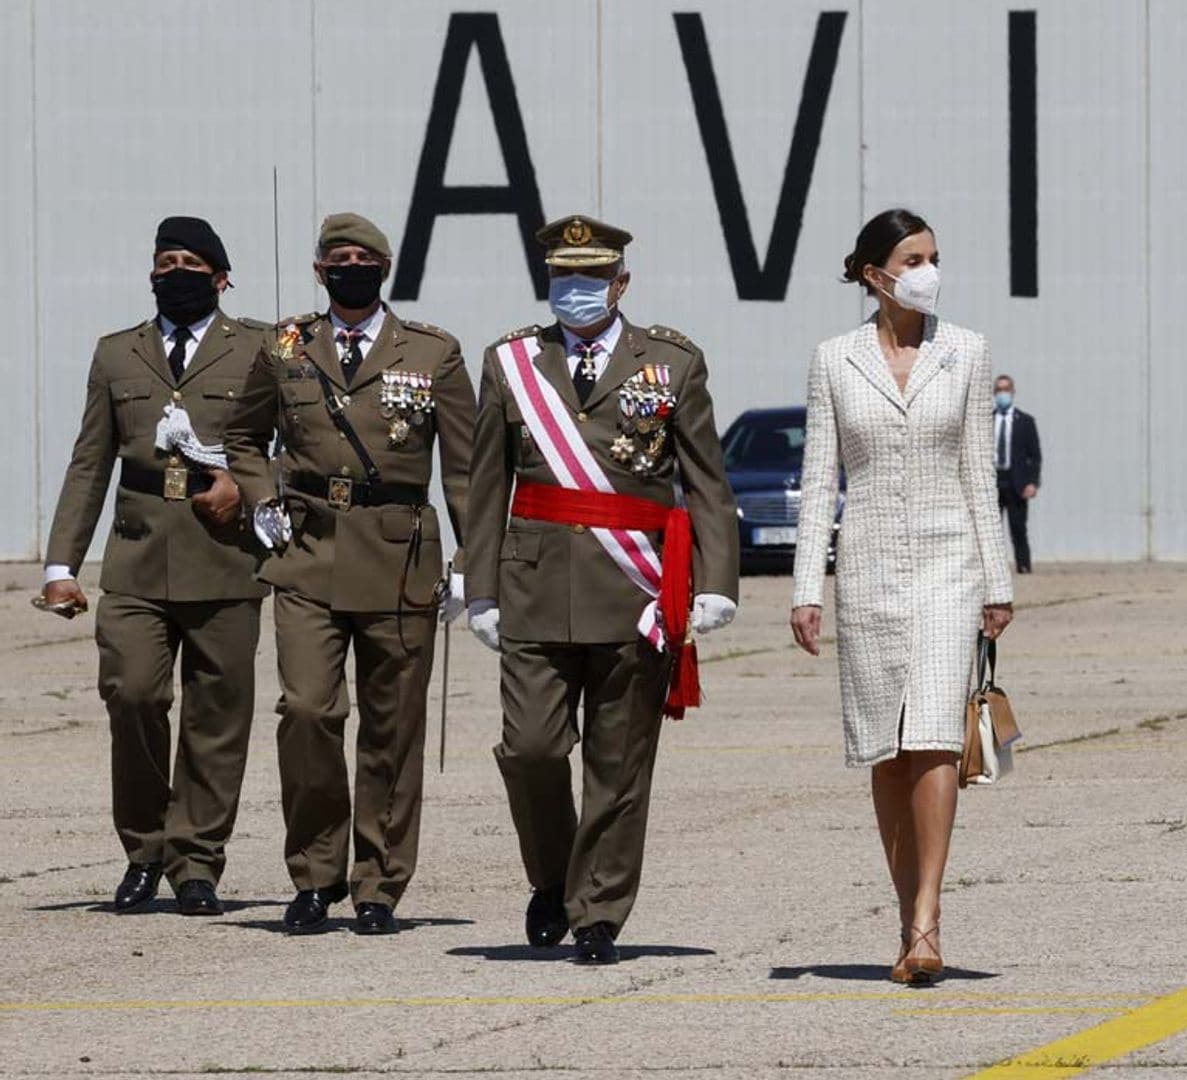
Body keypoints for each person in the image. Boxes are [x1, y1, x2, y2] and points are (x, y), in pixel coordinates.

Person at [463, 214, 740, 965]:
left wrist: (716, 581)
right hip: (532, 586)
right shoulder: (511, 361)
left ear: (621, 282)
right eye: (563, 278)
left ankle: (598, 913)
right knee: (530, 750)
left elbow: (706, 484)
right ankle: (552, 878)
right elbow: (485, 482)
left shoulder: (672, 364)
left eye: (590, 278)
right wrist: (476, 584)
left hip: (634, 591)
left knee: (619, 765)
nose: (575, 291)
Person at [223, 213, 475, 936]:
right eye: (339, 257)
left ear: (385, 269)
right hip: (307, 548)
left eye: (364, 258)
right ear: (319, 268)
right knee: (307, 710)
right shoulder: (285, 345)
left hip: (399, 555)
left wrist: (470, 561)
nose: (351, 267)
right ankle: (313, 873)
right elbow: (242, 435)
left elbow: (463, 467)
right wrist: (260, 496)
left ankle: (378, 884)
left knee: (392, 727)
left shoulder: (432, 352)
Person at [790, 208, 1015, 985]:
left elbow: (979, 473)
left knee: (935, 737)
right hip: (870, 568)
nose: (927, 271)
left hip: (951, 564)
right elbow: (821, 478)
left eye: (935, 257)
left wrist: (998, 580)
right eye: (912, 258)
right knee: (886, 749)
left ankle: (928, 916)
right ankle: (903, 914)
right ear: (872, 274)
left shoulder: (968, 350)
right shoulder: (833, 359)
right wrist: (804, 589)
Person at [39, 217, 267, 916]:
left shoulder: (258, 348)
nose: (175, 272)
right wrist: (60, 564)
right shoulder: (117, 354)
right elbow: (90, 464)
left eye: (191, 263)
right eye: (164, 260)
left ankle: (196, 860)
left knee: (217, 717)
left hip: (226, 560)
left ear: (221, 277)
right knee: (133, 694)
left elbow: (298, 444)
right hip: (137, 560)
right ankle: (144, 849)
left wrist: (253, 489)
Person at [993, 374, 1041, 574]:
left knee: (1018, 527)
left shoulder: (1025, 421)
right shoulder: (987, 420)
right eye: (999, 390)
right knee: (991, 531)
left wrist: (1032, 482)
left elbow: (1035, 455)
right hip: (993, 480)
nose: (1002, 394)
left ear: (1012, 392)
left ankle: (1023, 564)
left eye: (1006, 389)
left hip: (1017, 481)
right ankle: (993, 569)